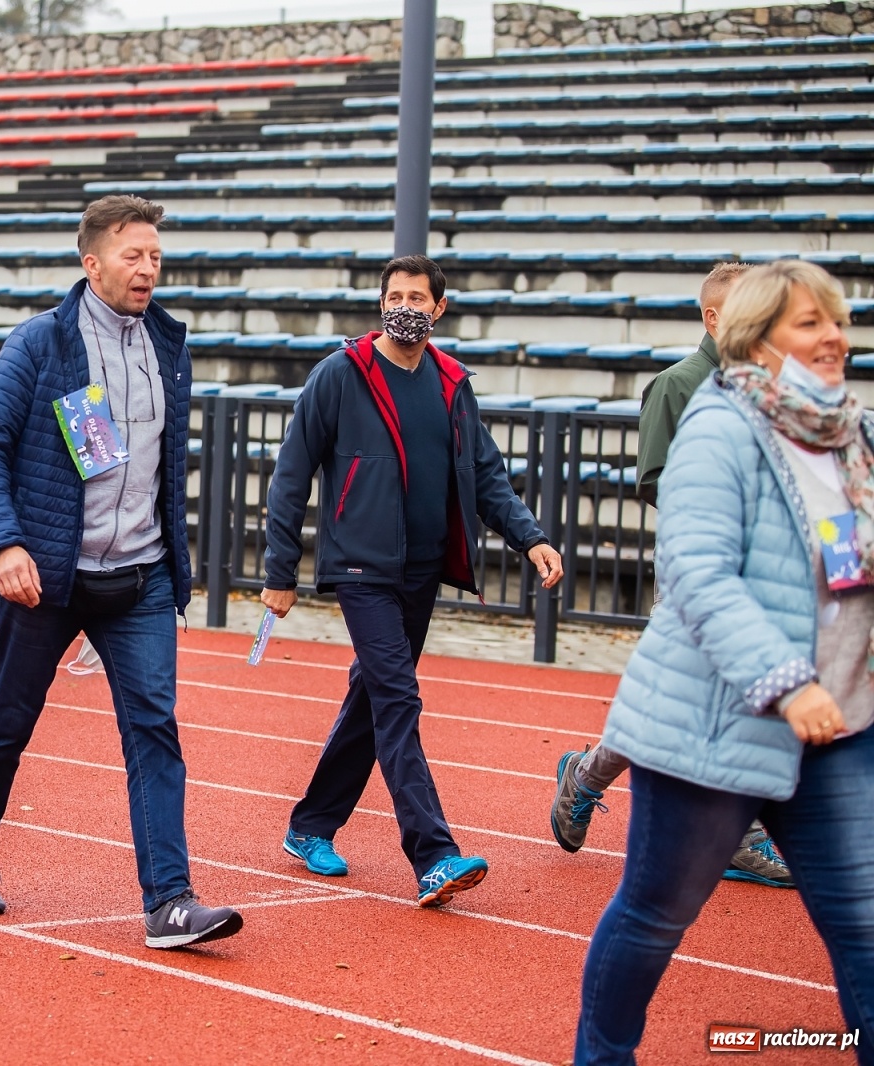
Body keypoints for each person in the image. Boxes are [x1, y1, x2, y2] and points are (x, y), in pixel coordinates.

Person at [574, 258, 874, 1065]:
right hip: (715, 725)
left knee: (865, 930)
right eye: (809, 322)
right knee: (654, 917)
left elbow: (852, 565)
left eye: (837, 321)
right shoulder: (719, 426)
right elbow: (699, 576)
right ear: (756, 338)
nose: (834, 337)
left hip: (839, 723)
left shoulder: (849, 433)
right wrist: (788, 683)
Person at [0, 194, 244, 950]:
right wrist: (5, 546)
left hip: (140, 577)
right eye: (132, 255)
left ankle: (170, 901)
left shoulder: (169, 344)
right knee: (9, 719)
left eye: (155, 256)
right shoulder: (40, 343)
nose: (147, 269)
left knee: (155, 730)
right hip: (49, 577)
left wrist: (170, 560)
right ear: (92, 263)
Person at [261, 255, 564, 907]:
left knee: (373, 699)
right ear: (380, 303)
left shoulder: (451, 382)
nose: (404, 306)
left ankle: (310, 825)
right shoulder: (341, 374)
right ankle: (434, 855)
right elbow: (291, 474)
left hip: (422, 570)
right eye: (394, 295)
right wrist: (280, 570)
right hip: (360, 568)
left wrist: (531, 538)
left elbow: (487, 476)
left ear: (439, 309)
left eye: (417, 298)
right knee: (398, 698)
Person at [549, 261, 794, 890]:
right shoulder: (678, 385)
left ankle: (736, 830)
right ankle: (592, 778)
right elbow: (657, 480)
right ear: (714, 318)